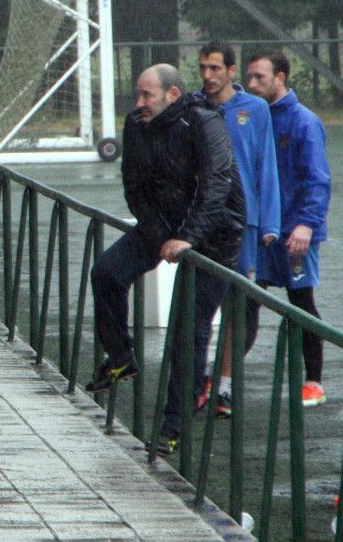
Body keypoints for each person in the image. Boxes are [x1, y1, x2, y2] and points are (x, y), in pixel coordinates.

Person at [86, 64, 244, 455]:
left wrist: (187, 238)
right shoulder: (136, 124)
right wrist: (161, 235)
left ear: (172, 95)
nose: (138, 103)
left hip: (215, 235)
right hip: (162, 226)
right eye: (137, 94)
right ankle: (121, 356)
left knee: (187, 329)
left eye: (146, 95)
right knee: (106, 272)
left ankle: (175, 425)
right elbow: (133, 185)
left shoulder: (204, 122)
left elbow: (216, 186)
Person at [196, 41, 280, 418]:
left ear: (232, 71)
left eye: (215, 68)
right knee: (197, 304)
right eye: (203, 68)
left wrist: (270, 222)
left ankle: (224, 386)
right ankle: (195, 381)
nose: (208, 76)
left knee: (237, 305)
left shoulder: (255, 109)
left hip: (243, 223)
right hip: (202, 220)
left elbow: (266, 167)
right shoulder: (195, 107)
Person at [245, 50, 332, 406]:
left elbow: (317, 180)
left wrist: (306, 226)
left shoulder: (304, 122)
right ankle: (222, 380)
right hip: (264, 231)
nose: (251, 85)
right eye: (249, 77)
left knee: (302, 303)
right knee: (246, 300)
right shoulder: (254, 117)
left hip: (296, 233)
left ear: (280, 77)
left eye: (259, 78)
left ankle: (313, 382)